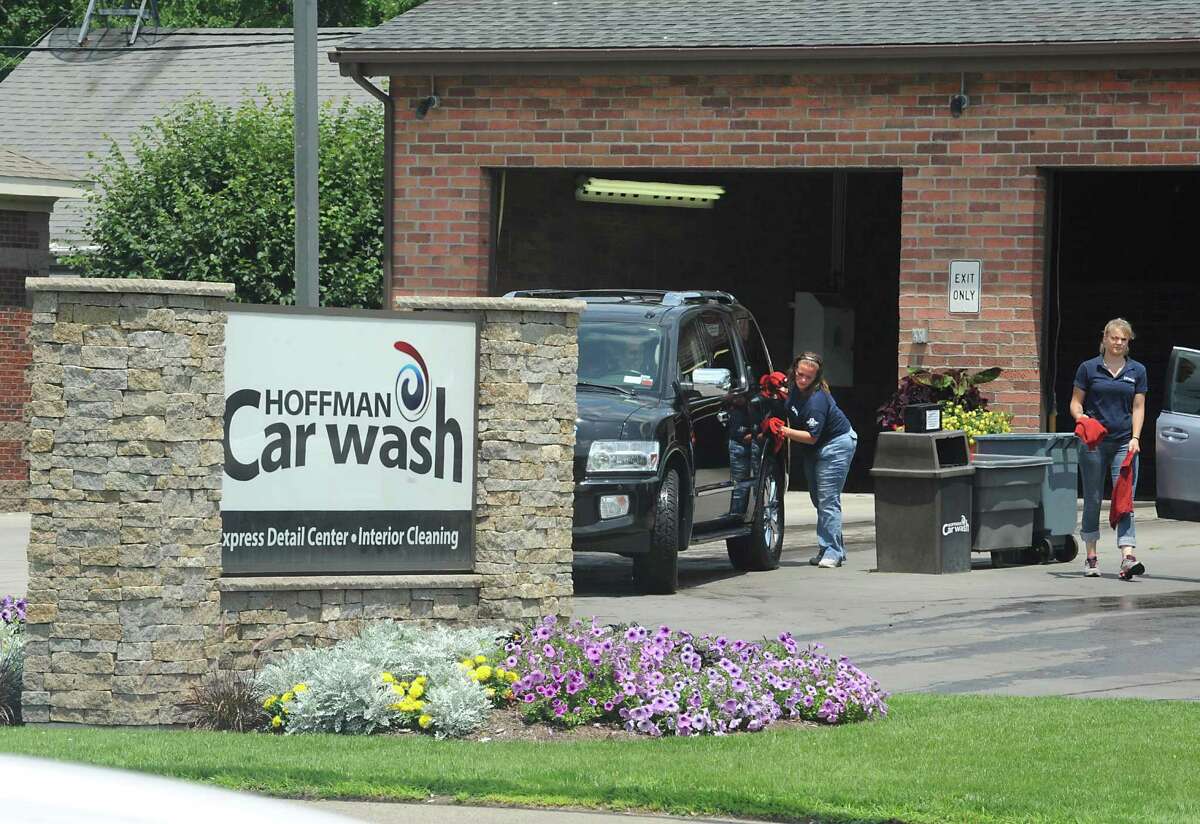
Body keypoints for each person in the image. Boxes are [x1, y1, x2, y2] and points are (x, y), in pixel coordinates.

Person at [1070, 317, 1148, 580]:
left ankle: (1127, 556)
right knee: (1092, 498)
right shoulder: (1088, 368)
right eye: (1114, 338)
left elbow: (1139, 407)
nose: (1118, 343)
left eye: (1123, 339)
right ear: (1104, 338)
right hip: (1094, 443)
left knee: (1124, 499)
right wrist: (1083, 419)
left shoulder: (1137, 371)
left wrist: (1135, 438)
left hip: (1123, 442)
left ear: (1128, 343)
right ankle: (1091, 557)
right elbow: (1075, 404)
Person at [779, 352, 857, 568]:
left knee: (827, 500)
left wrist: (783, 431)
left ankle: (832, 552)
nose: (803, 380)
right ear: (795, 370)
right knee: (818, 499)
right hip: (815, 450)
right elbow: (787, 398)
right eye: (800, 375)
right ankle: (833, 548)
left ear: (816, 378)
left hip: (836, 446)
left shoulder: (816, 400)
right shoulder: (794, 388)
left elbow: (811, 437)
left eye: (808, 378)